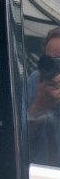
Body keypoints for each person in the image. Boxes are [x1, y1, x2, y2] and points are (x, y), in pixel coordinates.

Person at [26, 27, 60, 165]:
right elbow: (14, 142)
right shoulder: (36, 81)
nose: (56, 67)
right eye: (50, 61)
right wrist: (38, 106)